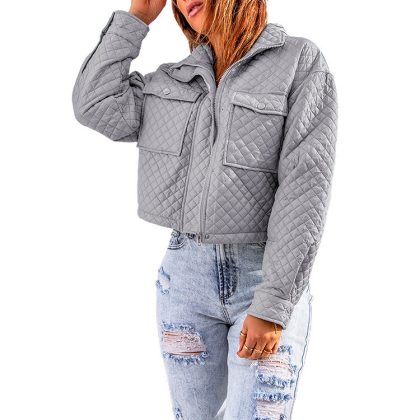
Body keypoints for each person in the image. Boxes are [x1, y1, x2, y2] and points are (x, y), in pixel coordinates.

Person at [72, 0, 338, 418]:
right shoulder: (172, 81)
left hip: (265, 276)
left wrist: (273, 303)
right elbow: (93, 103)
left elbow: (305, 187)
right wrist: (137, 17)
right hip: (184, 282)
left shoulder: (298, 62)